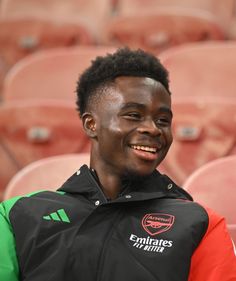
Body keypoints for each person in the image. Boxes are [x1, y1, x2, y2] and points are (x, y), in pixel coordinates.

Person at [0, 47, 236, 281]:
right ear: (91, 124)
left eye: (163, 120)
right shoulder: (17, 215)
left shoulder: (200, 224)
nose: (153, 129)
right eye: (133, 115)